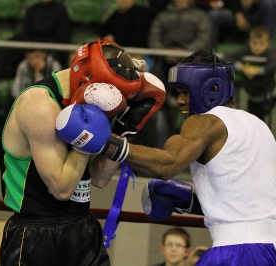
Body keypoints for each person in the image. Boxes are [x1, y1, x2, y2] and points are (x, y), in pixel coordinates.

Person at [0, 38, 165, 266]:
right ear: (89, 79)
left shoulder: (93, 97)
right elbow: (62, 188)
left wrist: (124, 130)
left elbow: (99, 178)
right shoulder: (38, 105)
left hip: (83, 227)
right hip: (36, 234)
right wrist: (88, 129)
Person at [117, 49, 276, 265]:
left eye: (186, 92)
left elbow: (167, 164)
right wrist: (192, 202)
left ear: (212, 88)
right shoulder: (259, 125)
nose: (180, 101)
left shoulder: (205, 122)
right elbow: (250, 201)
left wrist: (104, 142)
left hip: (235, 253)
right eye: (178, 93)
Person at [148, 0, 212, 147]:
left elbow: (204, 40)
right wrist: (166, 52)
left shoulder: (201, 16)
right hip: (164, 65)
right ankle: (161, 149)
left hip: (192, 65)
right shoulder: (163, 16)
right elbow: (153, 37)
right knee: (156, 99)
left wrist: (184, 53)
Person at [223, 26, 276, 122]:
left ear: (268, 44)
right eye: (254, 43)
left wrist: (256, 71)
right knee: (252, 121)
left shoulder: (270, 53)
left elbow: (273, 65)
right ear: (249, 42)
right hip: (252, 96)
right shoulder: (246, 50)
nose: (257, 47)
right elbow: (227, 57)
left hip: (268, 97)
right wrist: (243, 68)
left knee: (261, 121)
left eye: (261, 44)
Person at [22, 0, 70, 67]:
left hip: (51, 48)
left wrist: (42, 50)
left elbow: (62, 36)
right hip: (32, 45)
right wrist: (33, 48)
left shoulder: (60, 10)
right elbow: (25, 32)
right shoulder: (33, 9)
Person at [208, 0, 276, 46]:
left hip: (257, 11)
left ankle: (265, 44)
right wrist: (238, 13)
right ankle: (209, 50)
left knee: (269, 3)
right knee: (214, 15)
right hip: (236, 11)